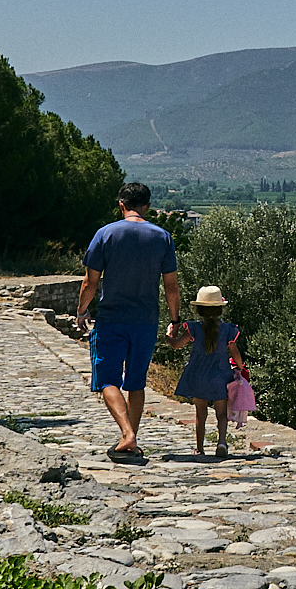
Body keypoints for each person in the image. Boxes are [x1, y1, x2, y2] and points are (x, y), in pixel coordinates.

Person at [75, 183, 182, 460]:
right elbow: (171, 287)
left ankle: (127, 435)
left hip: (112, 319)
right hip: (146, 321)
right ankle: (130, 440)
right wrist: (174, 319)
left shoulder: (105, 234)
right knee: (136, 383)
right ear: (147, 206)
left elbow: (90, 281)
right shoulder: (163, 238)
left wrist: (82, 310)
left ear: (121, 204)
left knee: (107, 379)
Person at [174, 285, 244, 457]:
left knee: (201, 414)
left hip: (198, 376)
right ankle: (221, 442)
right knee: (221, 413)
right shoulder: (228, 330)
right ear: (220, 309)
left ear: (199, 309)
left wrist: (168, 337)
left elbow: (177, 345)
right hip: (221, 375)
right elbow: (234, 352)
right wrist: (241, 367)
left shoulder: (194, 329)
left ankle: (200, 448)